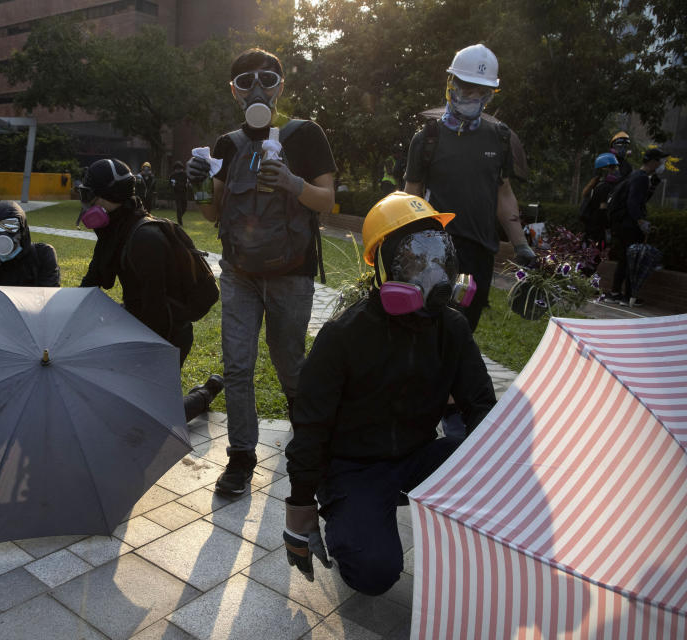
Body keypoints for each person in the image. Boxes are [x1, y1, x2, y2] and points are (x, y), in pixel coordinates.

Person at [282, 192, 496, 593]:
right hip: (353, 466)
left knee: (498, 474)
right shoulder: (344, 337)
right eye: (414, 259)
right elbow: (310, 427)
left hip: (416, 455)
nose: (432, 273)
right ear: (382, 268)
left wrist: (489, 477)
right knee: (374, 572)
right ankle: (350, 517)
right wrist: (299, 507)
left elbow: (482, 405)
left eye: (440, 256)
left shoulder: (451, 328)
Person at [185, 48, 336, 496]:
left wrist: (291, 181)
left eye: (267, 78)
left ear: (281, 86)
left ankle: (305, 432)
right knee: (237, 365)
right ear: (233, 90)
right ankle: (242, 456)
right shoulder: (227, 143)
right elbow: (213, 213)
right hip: (239, 272)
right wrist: (196, 180)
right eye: (246, 80)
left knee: (289, 361)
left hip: (292, 271)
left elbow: (326, 200)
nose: (258, 88)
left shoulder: (305, 134)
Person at [79, 158, 223, 421]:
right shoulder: (114, 231)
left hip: (167, 336)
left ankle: (205, 393)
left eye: (90, 196)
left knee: (149, 419)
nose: (86, 204)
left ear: (106, 198)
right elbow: (90, 284)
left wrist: (133, 361)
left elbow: (158, 316)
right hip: (140, 322)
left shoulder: (144, 240)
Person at [404, 43, 535, 333]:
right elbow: (409, 196)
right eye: (466, 87)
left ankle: (453, 377)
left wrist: (521, 245)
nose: (472, 96)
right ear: (451, 84)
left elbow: (504, 194)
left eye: (481, 91)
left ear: (489, 94)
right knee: (429, 329)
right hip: (434, 253)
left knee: (464, 331)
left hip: (479, 256)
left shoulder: (499, 139)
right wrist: (405, 245)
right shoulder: (427, 139)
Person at [606, 147, 669, 306]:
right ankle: (628, 297)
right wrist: (641, 221)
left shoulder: (636, 175)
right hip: (630, 226)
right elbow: (633, 202)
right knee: (632, 259)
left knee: (624, 259)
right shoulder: (640, 178)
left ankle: (615, 293)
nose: (662, 164)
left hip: (623, 224)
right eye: (660, 161)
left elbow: (638, 199)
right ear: (653, 162)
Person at [0, 200, 61, 297]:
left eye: (11, 227)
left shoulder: (42, 255)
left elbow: (49, 298)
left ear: (22, 230)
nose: (3, 235)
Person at [579, 152, 621, 262]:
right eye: (612, 168)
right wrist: (608, 229)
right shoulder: (605, 187)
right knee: (594, 259)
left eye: (615, 167)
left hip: (590, 228)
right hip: (597, 230)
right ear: (604, 170)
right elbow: (603, 210)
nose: (615, 170)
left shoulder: (596, 184)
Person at [169, 161, 189, 226]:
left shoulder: (184, 175)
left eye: (180, 168)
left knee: (184, 207)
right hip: (177, 193)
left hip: (184, 192)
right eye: (177, 169)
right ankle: (180, 222)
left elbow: (186, 183)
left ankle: (179, 217)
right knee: (179, 208)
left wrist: (179, 184)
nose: (178, 170)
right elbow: (171, 184)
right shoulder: (173, 175)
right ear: (175, 169)